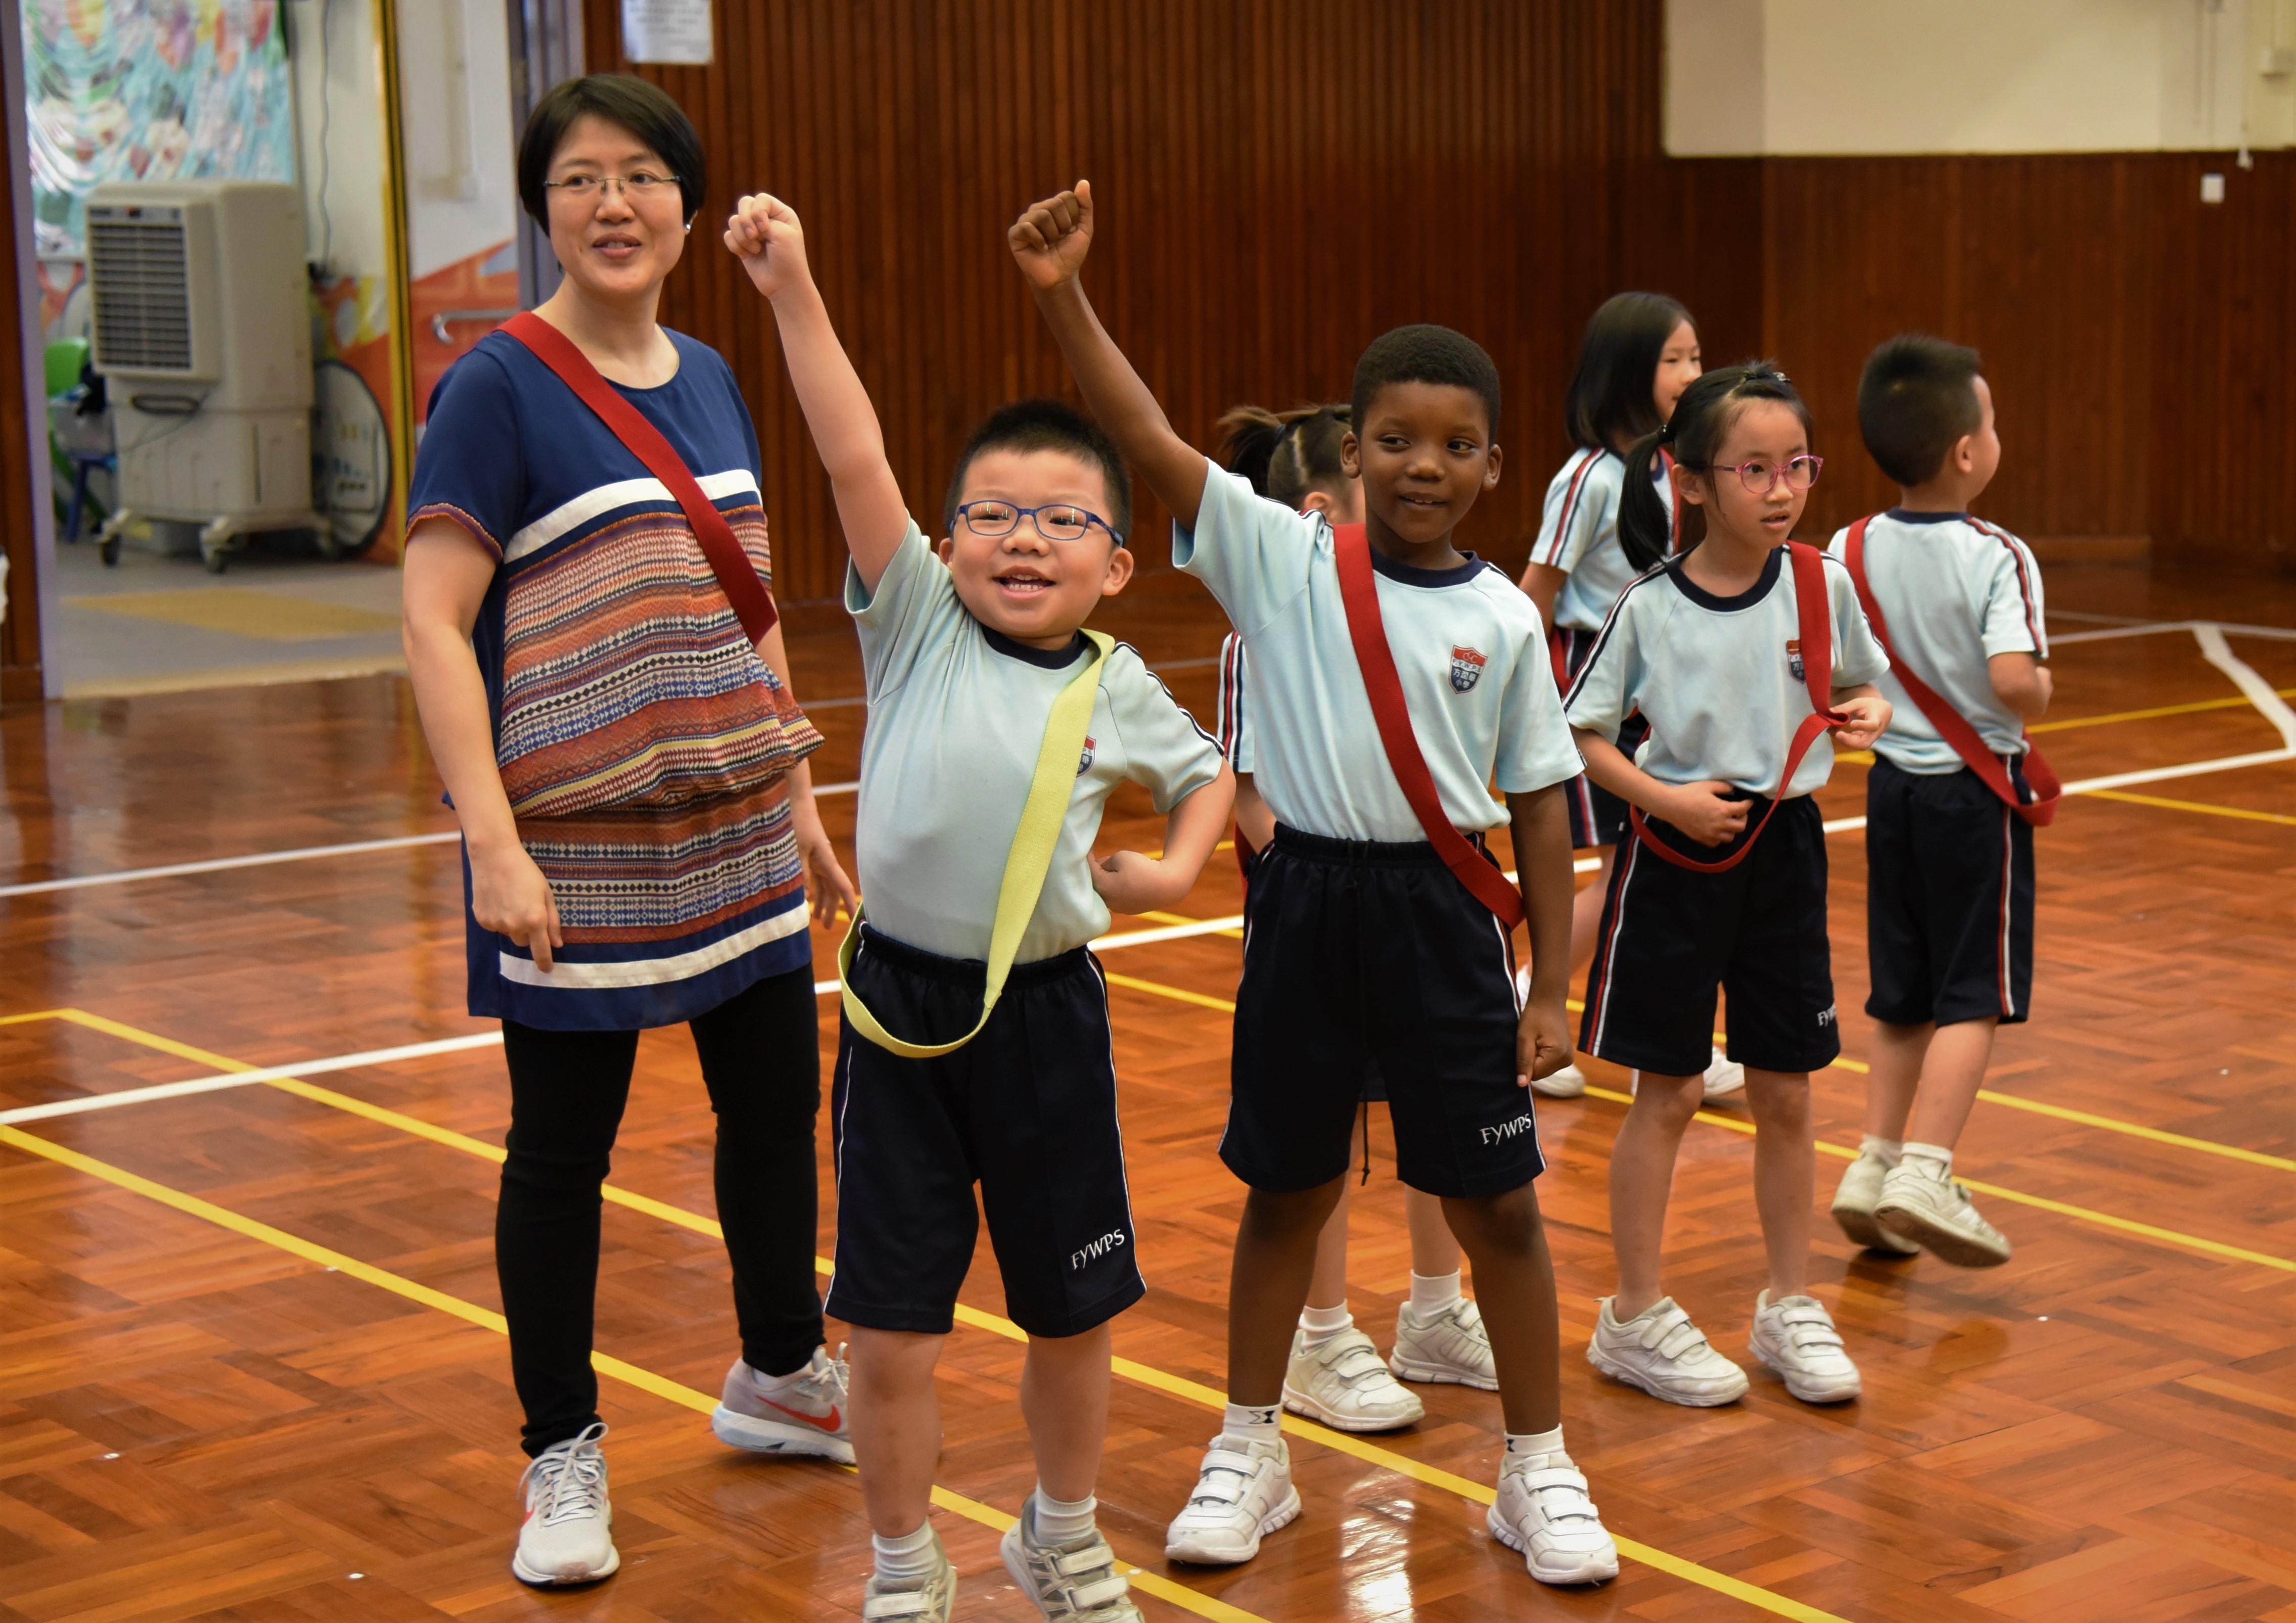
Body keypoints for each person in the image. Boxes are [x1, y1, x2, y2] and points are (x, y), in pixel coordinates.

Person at [1016, 180, 1619, 1588]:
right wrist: (1063, 298)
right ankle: (1251, 1448)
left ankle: (1537, 1466)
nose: (1423, 465)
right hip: (1305, 911)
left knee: (1500, 1206)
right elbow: (1148, 440)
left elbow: (1542, 801)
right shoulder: (1284, 562)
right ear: (1351, 451)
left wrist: (1551, 986)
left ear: (1493, 465)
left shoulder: (1502, 618)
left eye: (1454, 445)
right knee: (1285, 1191)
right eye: (1395, 439)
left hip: (1443, 920)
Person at [728, 190, 1233, 1623]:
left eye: (1064, 521)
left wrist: (1175, 869)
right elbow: (850, 447)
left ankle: (1059, 1535)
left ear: (1115, 564)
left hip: (1048, 1021)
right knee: (889, 1330)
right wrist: (792, 287)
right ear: (944, 545)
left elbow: (1207, 779)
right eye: (993, 515)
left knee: (1073, 1308)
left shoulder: (1115, 683)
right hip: (900, 1017)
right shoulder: (914, 623)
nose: (1024, 540)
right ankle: (902, 1564)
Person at [400, 75, 856, 1589]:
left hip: (733, 825)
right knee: (561, 1156)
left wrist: (798, 796)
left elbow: (749, 601)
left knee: (772, 1113)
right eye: (582, 177)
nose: (615, 203)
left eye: (645, 175)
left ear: (686, 203)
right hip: (575, 845)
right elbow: (433, 621)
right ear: (544, 205)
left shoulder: (712, 373)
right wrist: (492, 841)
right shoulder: (495, 385)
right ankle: (561, 1451)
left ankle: (782, 1370)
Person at [1563, 363, 1892, 1409]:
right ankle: (1633, 1314)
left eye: (1797, 465)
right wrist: (1666, 801)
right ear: (1692, 479)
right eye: (1754, 469)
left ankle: (1789, 1303)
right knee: (1665, 1092)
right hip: (1674, 858)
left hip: (1784, 849)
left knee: (1785, 1089)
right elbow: (1582, 737)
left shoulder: (1821, 584)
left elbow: (1861, 681)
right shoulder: (1648, 606)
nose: (1781, 488)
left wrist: (1868, 711)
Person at [1214, 406, 1499, 1433]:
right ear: (1322, 506)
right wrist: (1322, 876)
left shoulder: (1443, 609)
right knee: (1319, 1137)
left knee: (1437, 1114)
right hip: (1316, 918)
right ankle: (1320, 1334)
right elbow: (1246, 788)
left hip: (1423, 908)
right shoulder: (1267, 629)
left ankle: (1435, 1309)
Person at [1825, 336, 2049, 1268]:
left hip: (1891, 796)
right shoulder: (1999, 555)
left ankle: (1872, 1164)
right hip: (1972, 803)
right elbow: (2013, 679)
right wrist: (2038, 689)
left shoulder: (1848, 546)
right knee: (1973, 995)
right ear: (1965, 451)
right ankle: (1927, 1170)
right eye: (1990, 423)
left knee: (1903, 992)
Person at [1514, 293, 1742, 1104]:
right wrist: (1521, 708)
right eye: (1674, 359)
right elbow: (1533, 594)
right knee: (1625, 874)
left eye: (1696, 356)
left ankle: (1649, 1035)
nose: (1693, 372)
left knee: (1641, 871)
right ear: (1625, 370)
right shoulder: (1588, 478)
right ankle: (1530, 1001)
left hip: (1654, 691)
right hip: (1588, 691)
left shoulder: (1669, 471)